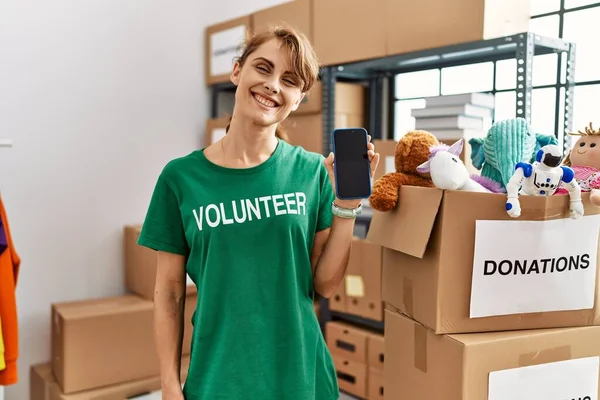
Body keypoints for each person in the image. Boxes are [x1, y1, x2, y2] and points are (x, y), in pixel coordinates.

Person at [137, 24, 380, 400]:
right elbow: (168, 292)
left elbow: (325, 285)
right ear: (237, 71)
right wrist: (169, 383)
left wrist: (346, 208)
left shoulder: (311, 171)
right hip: (218, 379)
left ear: (298, 99)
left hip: (301, 378)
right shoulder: (180, 178)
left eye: (290, 80)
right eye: (263, 69)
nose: (273, 86)